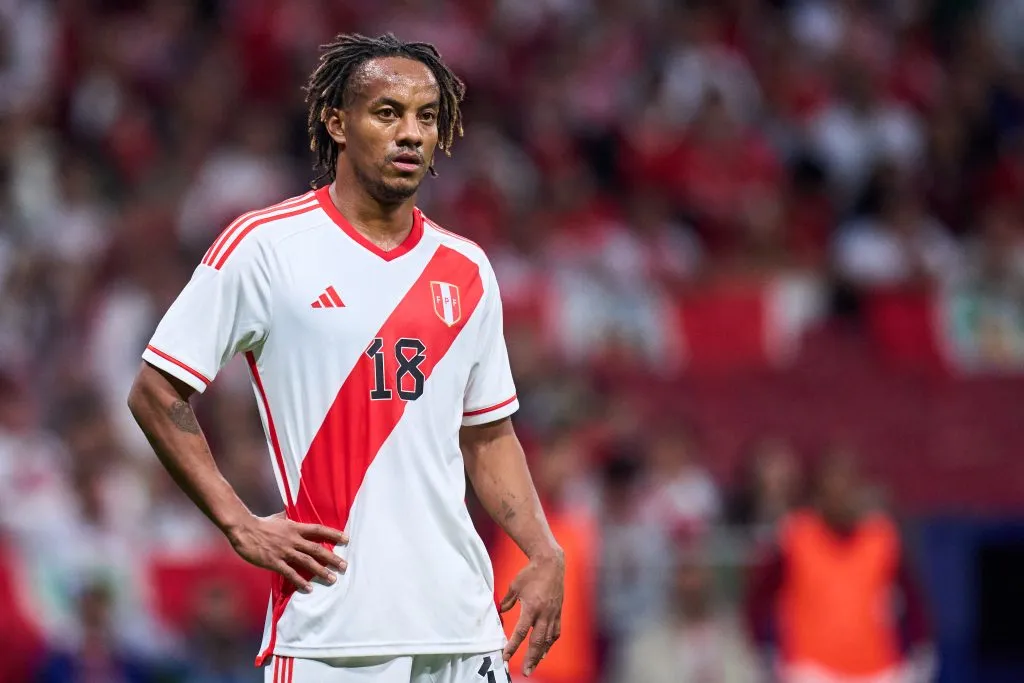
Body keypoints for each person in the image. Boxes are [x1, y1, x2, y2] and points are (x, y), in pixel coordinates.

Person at [127, 32, 565, 683]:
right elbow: (156, 390)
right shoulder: (266, 247)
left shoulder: (466, 268)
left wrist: (543, 547)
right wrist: (238, 521)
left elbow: (488, 434)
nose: (410, 133)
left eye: (426, 116)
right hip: (333, 635)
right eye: (387, 113)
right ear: (337, 121)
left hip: (463, 626)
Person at [744, 446, 935, 683]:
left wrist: (921, 648)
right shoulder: (795, 536)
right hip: (811, 668)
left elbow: (911, 598)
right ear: (817, 495)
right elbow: (760, 597)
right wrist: (762, 648)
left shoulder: (882, 537)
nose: (840, 497)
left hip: (876, 667)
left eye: (847, 487)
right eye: (831, 488)